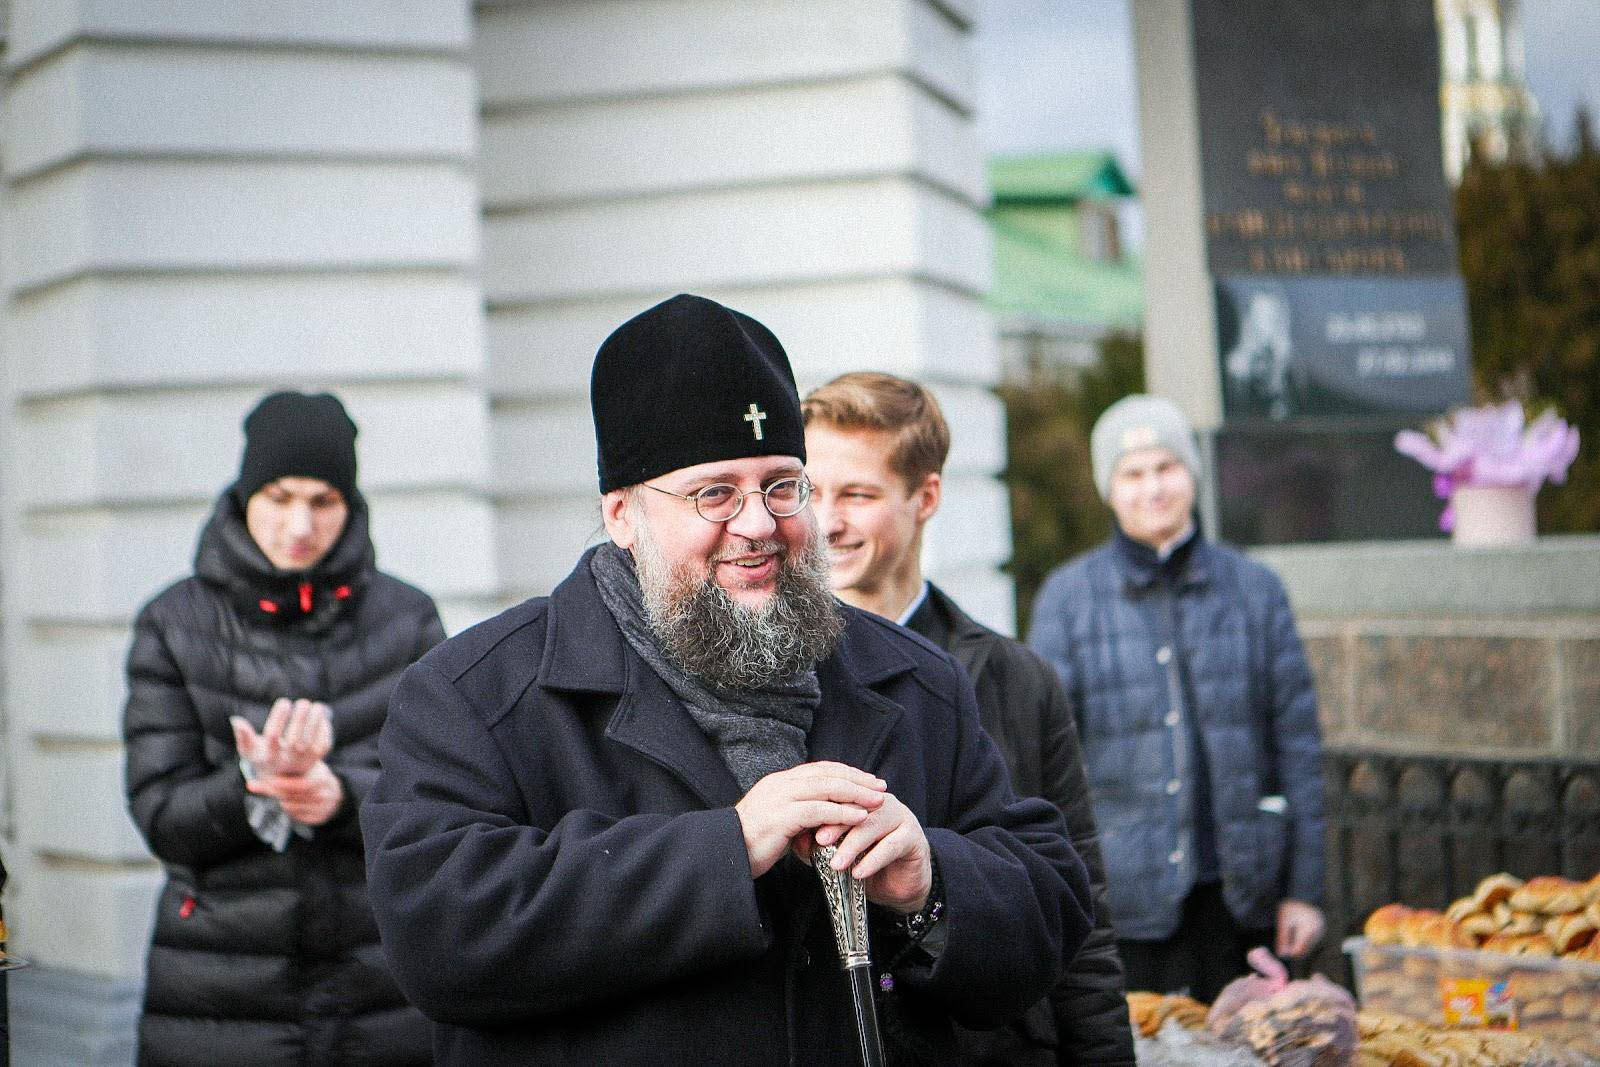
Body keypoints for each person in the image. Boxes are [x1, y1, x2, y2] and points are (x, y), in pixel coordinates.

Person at [363, 294, 1092, 1064]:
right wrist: (728, 847)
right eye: (715, 492)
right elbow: (438, 932)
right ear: (621, 514)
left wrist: (929, 881)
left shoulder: (914, 679)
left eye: (782, 485)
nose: (757, 523)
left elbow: (1051, 904)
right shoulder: (478, 694)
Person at [802, 371, 1136, 1064]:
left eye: (857, 494)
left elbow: (1082, 912)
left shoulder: (1015, 678)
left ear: (926, 496)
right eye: (811, 492)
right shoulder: (778, 676)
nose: (826, 520)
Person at [123, 391, 444, 1065]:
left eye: (323, 499)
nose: (300, 522)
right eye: (278, 494)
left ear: (349, 505)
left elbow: (444, 796)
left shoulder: (407, 618)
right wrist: (252, 785)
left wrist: (342, 797)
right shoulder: (171, 623)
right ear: (245, 497)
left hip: (382, 985)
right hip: (216, 992)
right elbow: (160, 812)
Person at [1026, 394, 1326, 1005]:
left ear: (1192, 474)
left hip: (1243, 894)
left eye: (1166, 467)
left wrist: (1305, 889)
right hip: (1124, 897)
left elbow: (1298, 746)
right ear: (1108, 489)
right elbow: (1043, 760)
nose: (1152, 488)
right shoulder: (1067, 599)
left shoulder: (1257, 590)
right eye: (1131, 474)